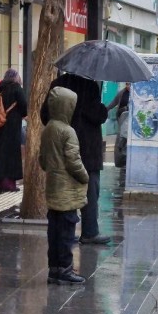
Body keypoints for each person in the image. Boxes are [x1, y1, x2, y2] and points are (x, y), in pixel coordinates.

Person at [41, 73, 111, 245]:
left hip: (60, 147)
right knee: (90, 191)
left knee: (63, 189)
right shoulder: (90, 86)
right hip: (87, 149)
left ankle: (64, 230)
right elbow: (98, 115)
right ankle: (89, 232)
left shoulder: (57, 85)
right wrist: (102, 107)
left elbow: (44, 114)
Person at [40, 86, 89, 285]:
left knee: (54, 232)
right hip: (67, 191)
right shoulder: (68, 132)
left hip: (53, 187)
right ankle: (65, 269)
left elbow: (42, 160)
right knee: (67, 233)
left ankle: (54, 269)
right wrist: (85, 176)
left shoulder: (48, 128)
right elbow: (73, 161)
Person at [0, 69, 28, 193]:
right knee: (11, 155)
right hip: (11, 127)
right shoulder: (16, 88)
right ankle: (10, 185)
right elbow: (24, 107)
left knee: (0, 154)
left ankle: (2, 184)